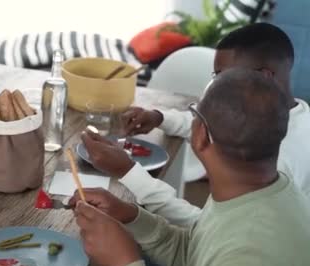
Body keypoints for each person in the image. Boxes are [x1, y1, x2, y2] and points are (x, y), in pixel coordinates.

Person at [73, 68, 310, 266]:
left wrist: (124, 260)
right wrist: (130, 216)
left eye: (194, 114)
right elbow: (196, 254)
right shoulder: (260, 190)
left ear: (200, 135)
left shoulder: (254, 251)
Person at [83, 23, 310, 227]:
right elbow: (208, 123)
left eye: (221, 75)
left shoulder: (281, 162)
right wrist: (159, 117)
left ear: (264, 76)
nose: (214, 84)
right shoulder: (276, 119)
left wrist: (129, 173)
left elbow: (210, 232)